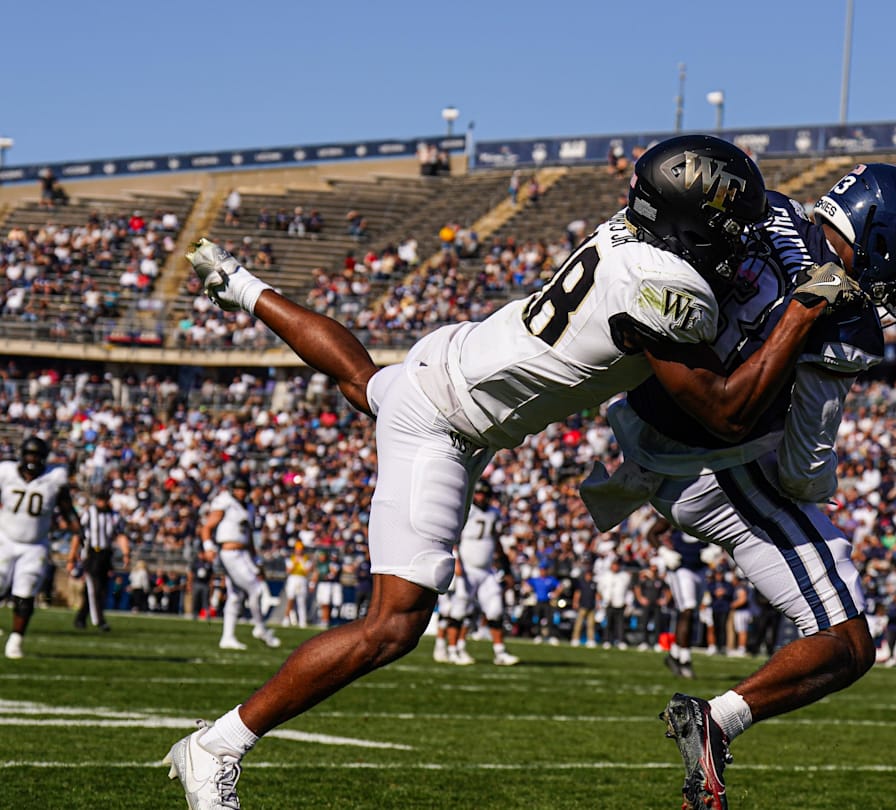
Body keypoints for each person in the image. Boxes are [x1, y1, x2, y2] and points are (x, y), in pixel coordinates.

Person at [165, 134, 859, 809]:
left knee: (365, 381)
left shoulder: (633, 232)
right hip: (445, 421)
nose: (741, 240)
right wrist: (805, 307)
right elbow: (728, 413)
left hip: (451, 360)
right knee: (393, 625)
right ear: (685, 226)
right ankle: (218, 746)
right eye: (728, 228)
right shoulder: (662, 283)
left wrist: (244, 288)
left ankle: (240, 285)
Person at [580, 162, 896, 809]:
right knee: (846, 641)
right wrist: (824, 487)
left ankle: (717, 722)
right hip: (718, 464)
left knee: (842, 633)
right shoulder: (847, 316)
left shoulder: (768, 209)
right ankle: (717, 721)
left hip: (649, 415)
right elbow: (804, 467)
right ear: (880, 238)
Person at [0, 437, 78, 659]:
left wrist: (79, 531)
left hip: (35, 546)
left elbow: (67, 508)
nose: (32, 459)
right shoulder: (6, 472)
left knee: (25, 594)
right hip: (4, 539)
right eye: (29, 454)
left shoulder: (54, 478)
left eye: (37, 455)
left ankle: (16, 641)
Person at [200, 476, 279, 651]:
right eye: (238, 489)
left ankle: (227, 637)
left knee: (235, 596)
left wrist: (256, 560)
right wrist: (208, 547)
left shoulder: (249, 507)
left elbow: (248, 537)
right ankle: (260, 627)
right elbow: (207, 527)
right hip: (229, 553)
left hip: (243, 553)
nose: (241, 493)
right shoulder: (225, 502)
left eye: (243, 489)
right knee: (256, 589)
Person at [455, 485, 518, 666]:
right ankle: (455, 649)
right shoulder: (467, 510)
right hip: (467, 569)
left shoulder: (493, 513)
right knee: (461, 611)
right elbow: (455, 537)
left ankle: (500, 652)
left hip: (487, 570)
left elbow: (496, 541)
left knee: (496, 610)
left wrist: (506, 569)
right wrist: (456, 561)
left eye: (485, 494)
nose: (481, 497)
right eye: (479, 493)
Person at [68, 484, 128, 632]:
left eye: (105, 499)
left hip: (106, 554)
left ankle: (81, 618)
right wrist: (72, 558)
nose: (102, 502)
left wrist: (126, 554)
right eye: (101, 499)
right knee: (95, 588)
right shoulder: (89, 513)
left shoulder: (113, 516)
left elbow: (120, 535)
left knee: (100, 589)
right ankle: (100, 621)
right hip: (91, 554)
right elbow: (77, 535)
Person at [653, 518, 706, 678]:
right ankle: (685, 659)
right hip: (681, 568)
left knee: (691, 614)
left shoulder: (709, 511)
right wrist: (664, 552)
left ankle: (674, 654)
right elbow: (651, 534)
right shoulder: (675, 512)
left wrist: (715, 548)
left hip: (701, 568)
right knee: (687, 610)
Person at [281, 542, 312, 628]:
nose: (299, 551)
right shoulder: (291, 558)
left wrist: (301, 563)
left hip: (302, 579)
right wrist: (295, 563)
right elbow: (288, 570)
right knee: (290, 599)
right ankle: (286, 618)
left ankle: (302, 621)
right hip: (292, 579)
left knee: (301, 601)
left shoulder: (306, 559)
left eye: (300, 549)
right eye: (297, 549)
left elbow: (307, 571)